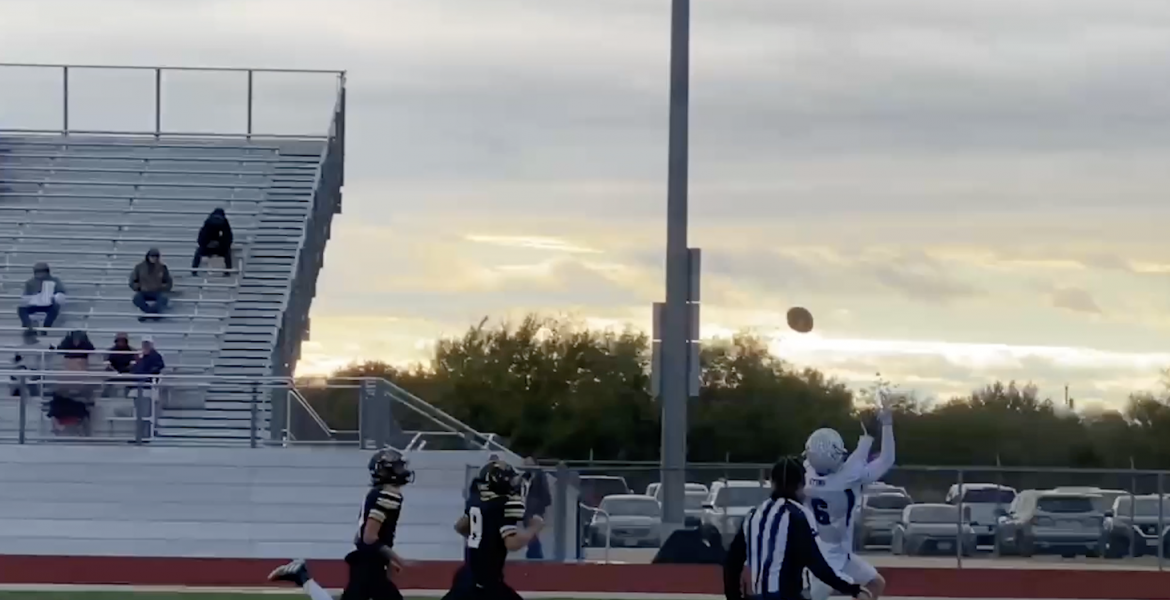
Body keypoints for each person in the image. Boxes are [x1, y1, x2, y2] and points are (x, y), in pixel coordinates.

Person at [268, 449, 415, 600]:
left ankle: (303, 577)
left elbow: (363, 537)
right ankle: (302, 577)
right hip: (369, 567)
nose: (402, 471)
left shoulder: (377, 493)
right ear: (385, 471)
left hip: (368, 564)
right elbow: (369, 537)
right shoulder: (388, 495)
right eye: (398, 467)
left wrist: (386, 559)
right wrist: (397, 558)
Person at [723, 456, 869, 600]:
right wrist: (852, 589)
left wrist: (733, 596)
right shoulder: (797, 514)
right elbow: (816, 563)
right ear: (800, 485)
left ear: (772, 482)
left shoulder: (753, 515)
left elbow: (732, 563)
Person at [801, 400, 896, 600]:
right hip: (828, 557)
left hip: (831, 550)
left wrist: (868, 438)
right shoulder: (846, 479)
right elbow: (886, 459)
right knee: (856, 591)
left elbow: (852, 463)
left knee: (876, 583)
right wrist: (885, 426)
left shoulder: (807, 474)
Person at [443, 460, 544, 600]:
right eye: (508, 478)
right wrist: (534, 528)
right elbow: (512, 543)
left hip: (467, 575)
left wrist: (485, 536)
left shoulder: (477, 502)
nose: (512, 483)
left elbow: (460, 527)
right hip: (487, 582)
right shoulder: (501, 505)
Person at [18, 263, 66, 337]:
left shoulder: (55, 281)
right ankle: (29, 327)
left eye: (42, 272)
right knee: (21, 309)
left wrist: (55, 297)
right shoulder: (30, 282)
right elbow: (26, 296)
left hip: (49, 304)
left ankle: (45, 328)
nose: (40, 274)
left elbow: (61, 292)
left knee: (55, 307)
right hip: (34, 304)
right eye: (37, 272)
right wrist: (31, 299)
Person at [521, 456, 551, 560]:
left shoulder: (540, 476)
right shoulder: (525, 476)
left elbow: (545, 493)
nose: (526, 466)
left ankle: (535, 555)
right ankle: (534, 554)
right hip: (526, 509)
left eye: (528, 463)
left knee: (532, 532)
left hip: (535, 509)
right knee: (530, 533)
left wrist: (540, 507)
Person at [130, 248, 173, 319]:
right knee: (137, 298)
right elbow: (133, 281)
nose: (154, 258)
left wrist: (162, 287)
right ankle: (152, 313)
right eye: (152, 256)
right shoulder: (139, 267)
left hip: (157, 291)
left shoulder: (162, 268)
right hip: (143, 291)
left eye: (156, 257)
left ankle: (148, 314)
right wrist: (138, 287)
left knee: (163, 299)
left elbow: (168, 282)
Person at [192, 208, 234, 275]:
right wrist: (221, 245)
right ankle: (228, 271)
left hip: (208, 246)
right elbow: (228, 237)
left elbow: (201, 237)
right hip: (219, 247)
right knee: (227, 253)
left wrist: (207, 244)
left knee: (198, 252)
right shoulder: (224, 222)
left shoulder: (208, 222)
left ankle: (194, 270)